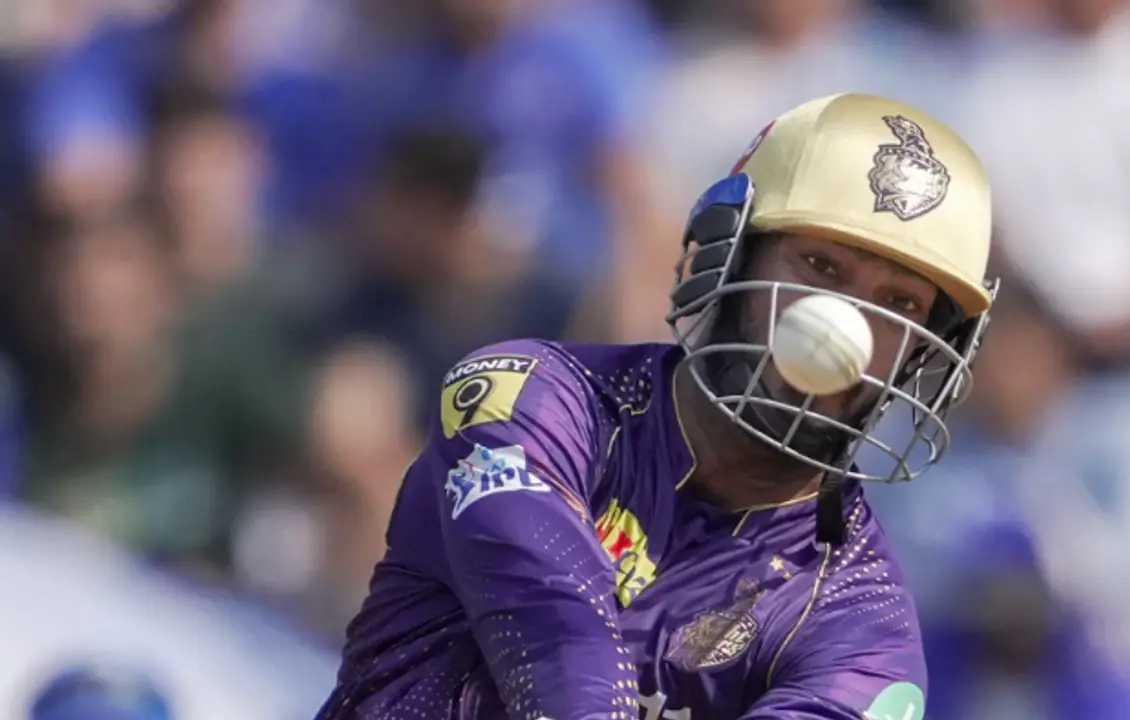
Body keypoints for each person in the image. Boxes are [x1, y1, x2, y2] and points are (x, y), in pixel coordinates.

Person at [317, 93, 997, 720]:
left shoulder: (865, 630)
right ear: (731, 256)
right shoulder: (534, 400)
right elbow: (560, 643)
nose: (847, 327)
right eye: (820, 268)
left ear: (926, 352)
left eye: (899, 303)